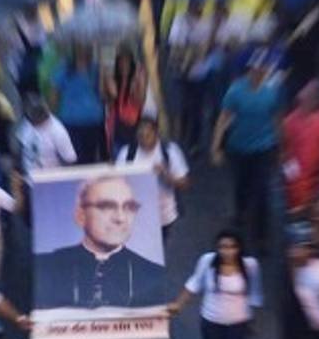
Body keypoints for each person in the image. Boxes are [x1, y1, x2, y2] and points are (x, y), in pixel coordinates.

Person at [33, 175, 166, 310]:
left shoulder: (155, 275)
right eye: (106, 207)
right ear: (80, 216)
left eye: (129, 207)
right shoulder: (43, 268)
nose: (120, 218)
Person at [168, 229, 263, 339]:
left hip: (238, 323)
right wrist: (178, 304)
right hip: (211, 320)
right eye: (223, 247)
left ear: (239, 248)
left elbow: (255, 294)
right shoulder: (207, 261)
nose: (227, 251)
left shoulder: (250, 265)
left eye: (232, 247)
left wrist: (253, 321)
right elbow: (194, 283)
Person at [212, 49, 284, 252]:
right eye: (256, 69)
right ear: (250, 69)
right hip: (239, 148)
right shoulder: (235, 91)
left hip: (263, 148)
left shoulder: (271, 92)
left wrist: (281, 147)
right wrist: (216, 146)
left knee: (262, 191)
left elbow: (277, 120)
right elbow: (224, 118)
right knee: (241, 186)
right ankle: (240, 212)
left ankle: (262, 236)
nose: (259, 72)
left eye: (263, 69)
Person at [115, 116, 190, 241]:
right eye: (140, 136)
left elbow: (185, 184)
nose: (144, 139)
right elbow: (116, 182)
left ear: (156, 133)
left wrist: (166, 175)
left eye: (148, 135)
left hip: (163, 216)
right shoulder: (127, 153)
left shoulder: (170, 151)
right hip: (135, 216)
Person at [281, 78, 319, 227]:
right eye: (305, 90)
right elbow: (284, 155)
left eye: (311, 92)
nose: (304, 94)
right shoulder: (289, 122)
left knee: (318, 226)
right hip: (295, 193)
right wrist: (294, 181)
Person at [168, 0, 215, 154]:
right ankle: (178, 139)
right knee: (180, 106)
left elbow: (206, 48)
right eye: (196, 6)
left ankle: (194, 143)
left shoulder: (206, 24)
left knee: (197, 108)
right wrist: (192, 51)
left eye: (201, 6)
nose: (199, 9)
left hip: (199, 73)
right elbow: (175, 47)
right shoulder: (180, 21)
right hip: (181, 72)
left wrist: (198, 50)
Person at [52, 46, 107, 164]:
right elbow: (55, 94)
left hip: (93, 121)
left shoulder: (95, 68)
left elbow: (103, 94)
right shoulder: (64, 69)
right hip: (71, 121)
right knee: (73, 158)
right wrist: (55, 116)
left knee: (90, 159)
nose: (83, 50)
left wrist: (102, 72)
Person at [15, 94, 77, 174]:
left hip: (50, 177)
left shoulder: (58, 131)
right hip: (28, 175)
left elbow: (70, 160)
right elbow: (20, 147)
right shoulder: (26, 124)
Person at [104, 47, 151, 151]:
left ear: (131, 63)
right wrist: (111, 90)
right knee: (118, 153)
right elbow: (110, 103)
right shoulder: (114, 80)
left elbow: (140, 101)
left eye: (126, 62)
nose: (123, 66)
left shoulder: (137, 79)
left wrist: (139, 85)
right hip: (117, 128)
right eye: (121, 62)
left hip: (134, 127)